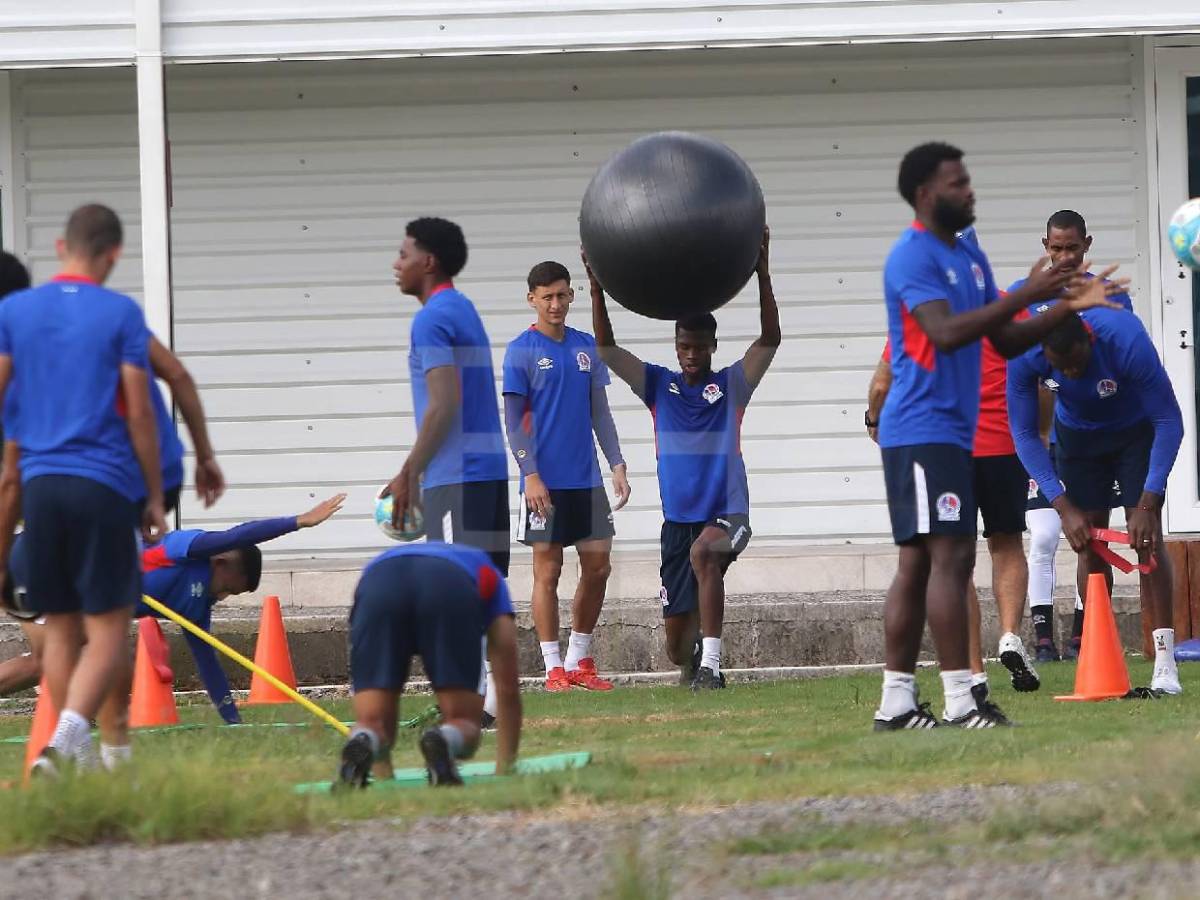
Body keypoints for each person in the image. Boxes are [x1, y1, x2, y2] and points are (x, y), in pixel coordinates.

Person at [873, 142, 1121, 731]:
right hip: (917, 427)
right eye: (958, 184)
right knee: (937, 560)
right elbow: (946, 332)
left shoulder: (973, 256)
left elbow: (1006, 340)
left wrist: (1066, 306)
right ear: (928, 195)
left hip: (954, 432)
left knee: (933, 561)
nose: (970, 191)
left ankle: (904, 705)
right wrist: (1031, 293)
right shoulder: (911, 257)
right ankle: (952, 700)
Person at [0, 204, 166, 775]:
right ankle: (73, 740)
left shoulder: (19, 318)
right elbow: (146, 411)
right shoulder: (118, 317)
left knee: (62, 630)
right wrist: (154, 493)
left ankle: (80, 748)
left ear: (57, 246)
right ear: (113, 255)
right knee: (110, 629)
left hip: (40, 493)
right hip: (103, 487)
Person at [590, 227, 779, 690]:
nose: (691, 355)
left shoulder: (732, 386)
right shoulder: (658, 386)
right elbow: (608, 350)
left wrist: (762, 272)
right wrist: (597, 289)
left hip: (726, 512)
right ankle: (694, 655)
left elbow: (770, 340)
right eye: (684, 347)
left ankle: (713, 666)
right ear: (676, 347)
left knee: (706, 554)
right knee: (675, 643)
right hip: (676, 524)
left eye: (699, 347)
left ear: (713, 346)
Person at [0, 495, 345, 742]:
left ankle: (80, 730)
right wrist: (297, 522)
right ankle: (74, 738)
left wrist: (233, 722)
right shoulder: (187, 548)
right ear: (221, 563)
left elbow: (208, 664)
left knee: (63, 659)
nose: (223, 597)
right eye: (230, 588)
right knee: (55, 661)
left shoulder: (196, 607)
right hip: (47, 562)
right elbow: (237, 536)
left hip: (69, 591)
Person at [868, 270, 1042, 709]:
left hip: (949, 450)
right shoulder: (1010, 304)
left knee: (952, 562)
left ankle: (974, 674)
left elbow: (883, 382)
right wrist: (1035, 437)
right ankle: (1008, 636)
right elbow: (1039, 383)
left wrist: (874, 421)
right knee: (1006, 545)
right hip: (1004, 445)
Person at [1008, 307, 1184, 694]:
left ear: (1088, 340)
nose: (1069, 374)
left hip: (1133, 433)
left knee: (1147, 542)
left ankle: (1165, 662)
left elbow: (1170, 421)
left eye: (1075, 364)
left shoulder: (1126, 340)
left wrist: (1147, 503)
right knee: (1089, 543)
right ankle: (1102, 657)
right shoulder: (1026, 353)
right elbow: (1022, 432)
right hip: (1078, 441)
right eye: (1060, 368)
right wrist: (1061, 504)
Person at [384, 217, 510, 720]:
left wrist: (409, 472)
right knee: (484, 588)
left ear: (428, 262)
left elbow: (444, 402)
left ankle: (475, 705)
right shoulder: (464, 308)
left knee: (456, 591)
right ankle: (492, 703)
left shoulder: (433, 317)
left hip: (457, 474)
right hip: (485, 471)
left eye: (404, 253)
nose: (397, 263)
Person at [1011, 210, 1134, 662]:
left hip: (1095, 443)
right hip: (1045, 443)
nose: (1064, 257)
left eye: (1073, 248)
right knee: (1043, 536)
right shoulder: (1026, 300)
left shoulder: (1111, 299)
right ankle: (1042, 637)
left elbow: (1116, 367)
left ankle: (1087, 636)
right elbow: (1023, 378)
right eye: (1056, 248)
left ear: (1088, 245)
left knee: (1094, 538)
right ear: (1044, 245)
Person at [503, 261, 630, 692]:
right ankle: (552, 666)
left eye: (561, 295)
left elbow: (600, 412)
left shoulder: (585, 347)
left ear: (571, 295)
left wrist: (616, 463)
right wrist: (530, 474)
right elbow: (514, 421)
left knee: (598, 567)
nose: (555, 304)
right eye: (546, 297)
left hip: (586, 481)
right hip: (544, 482)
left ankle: (579, 658)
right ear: (532, 300)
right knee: (548, 572)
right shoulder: (521, 350)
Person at [336, 542, 522, 788]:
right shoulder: (489, 573)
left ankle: (363, 739)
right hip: (449, 585)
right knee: (463, 722)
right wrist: (505, 770)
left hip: (378, 584)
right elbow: (507, 687)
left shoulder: (378, 565)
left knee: (373, 723)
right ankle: (444, 738)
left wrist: (387, 784)